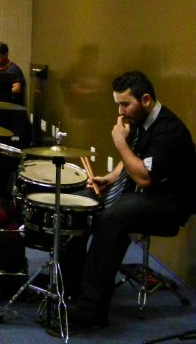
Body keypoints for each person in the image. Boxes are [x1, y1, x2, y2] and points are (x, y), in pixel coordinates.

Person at [65, 71, 196, 332]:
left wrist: (119, 143)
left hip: (170, 203)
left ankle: (91, 310)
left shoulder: (168, 131)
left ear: (145, 100)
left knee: (114, 217)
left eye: (125, 104)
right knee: (80, 203)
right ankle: (71, 285)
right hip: (146, 193)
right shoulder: (141, 121)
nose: (121, 111)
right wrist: (110, 179)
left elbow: (145, 177)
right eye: (118, 104)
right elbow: (133, 158)